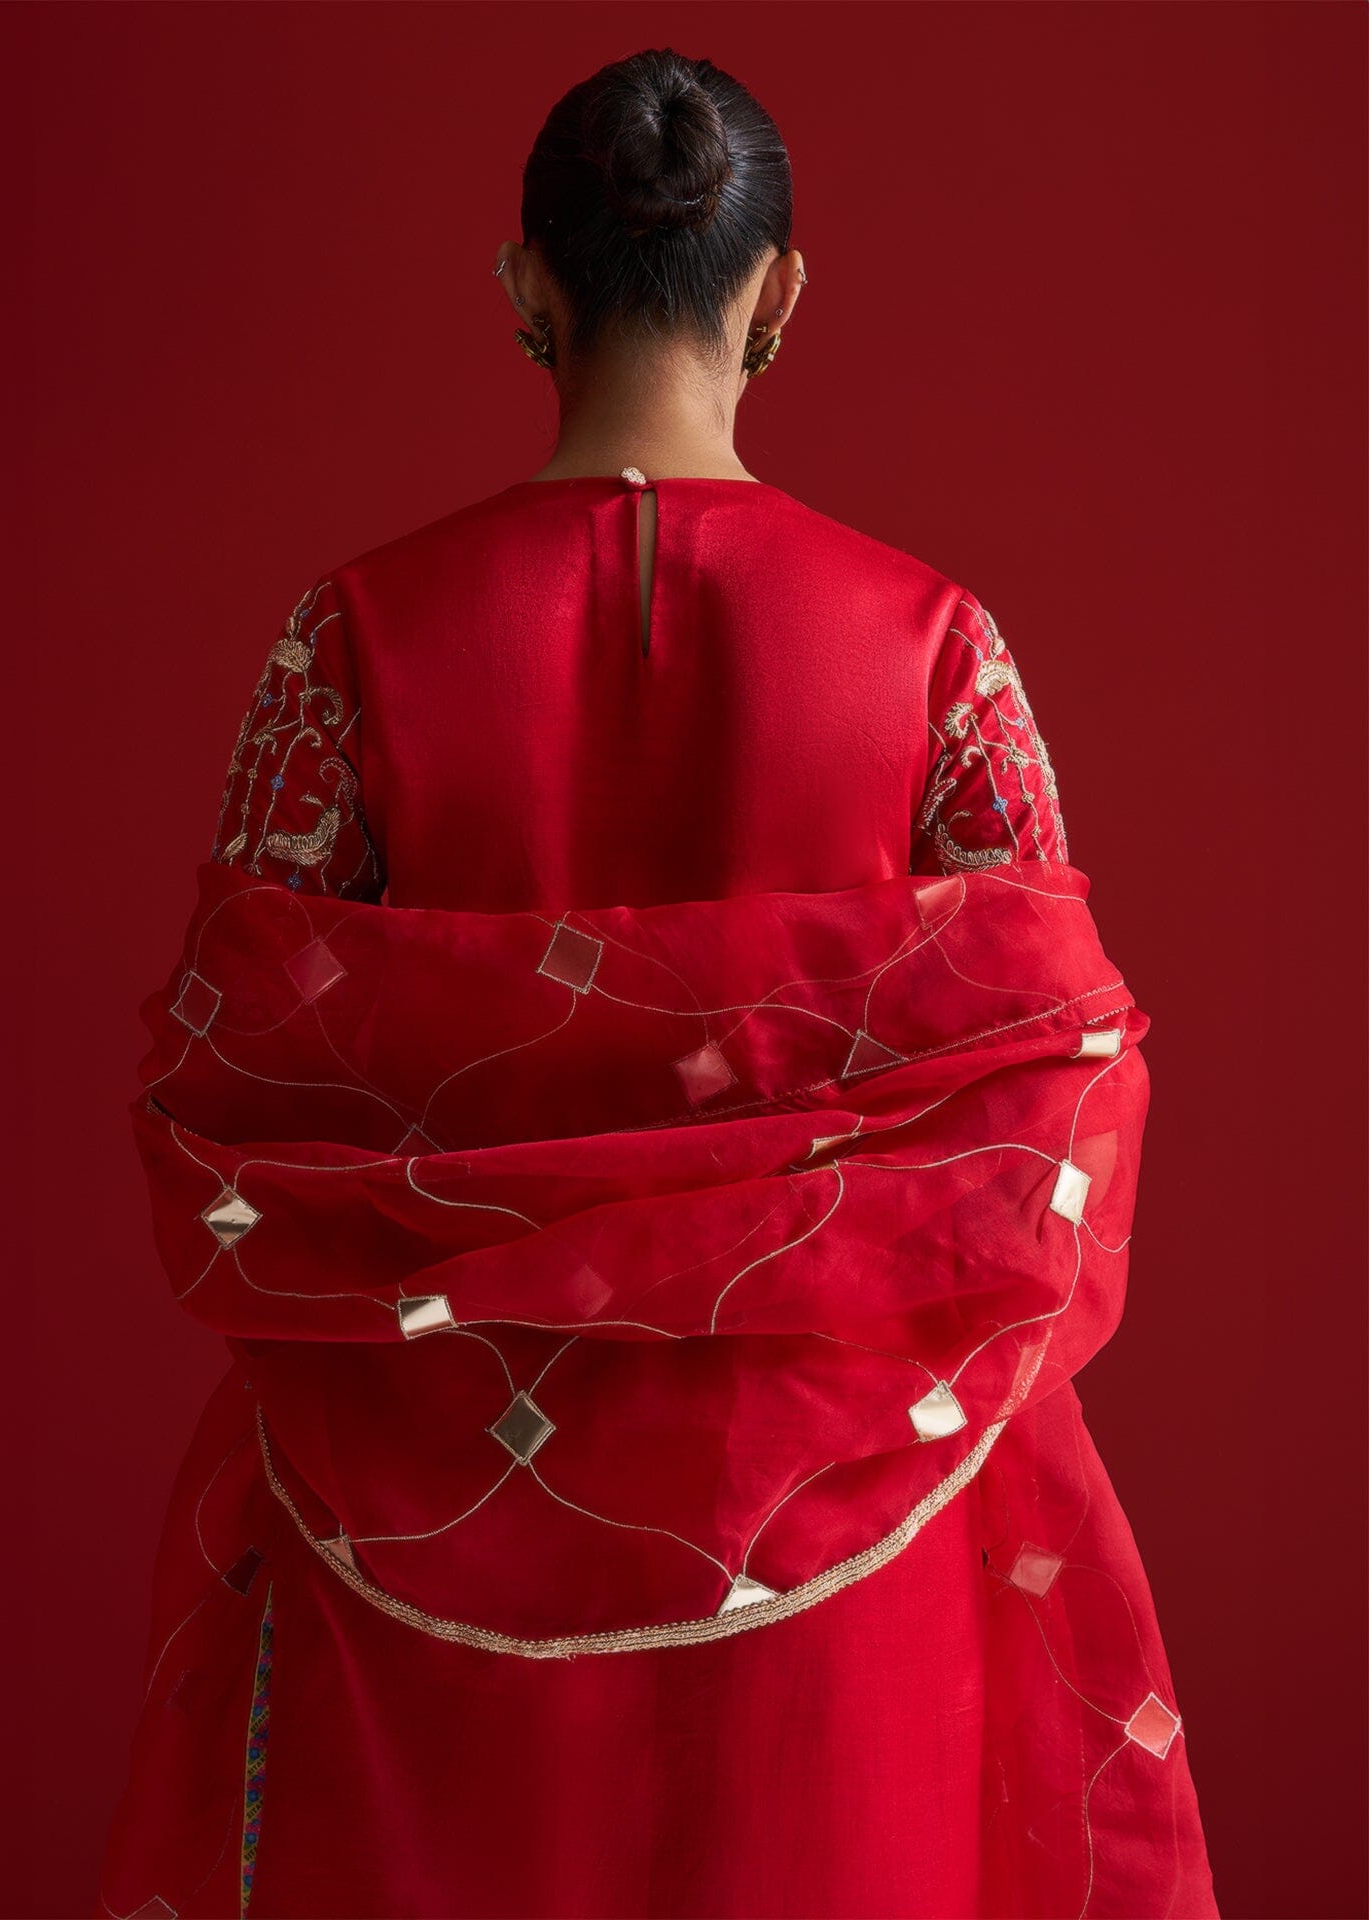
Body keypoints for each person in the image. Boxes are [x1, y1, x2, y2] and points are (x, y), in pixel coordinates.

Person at [98, 45, 1219, 1920]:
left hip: (418, 1500)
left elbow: (237, 1077)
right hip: (851, 1502)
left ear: (526, 283)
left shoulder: (352, 643)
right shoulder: (934, 647)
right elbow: (1054, 1084)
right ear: (779, 293)